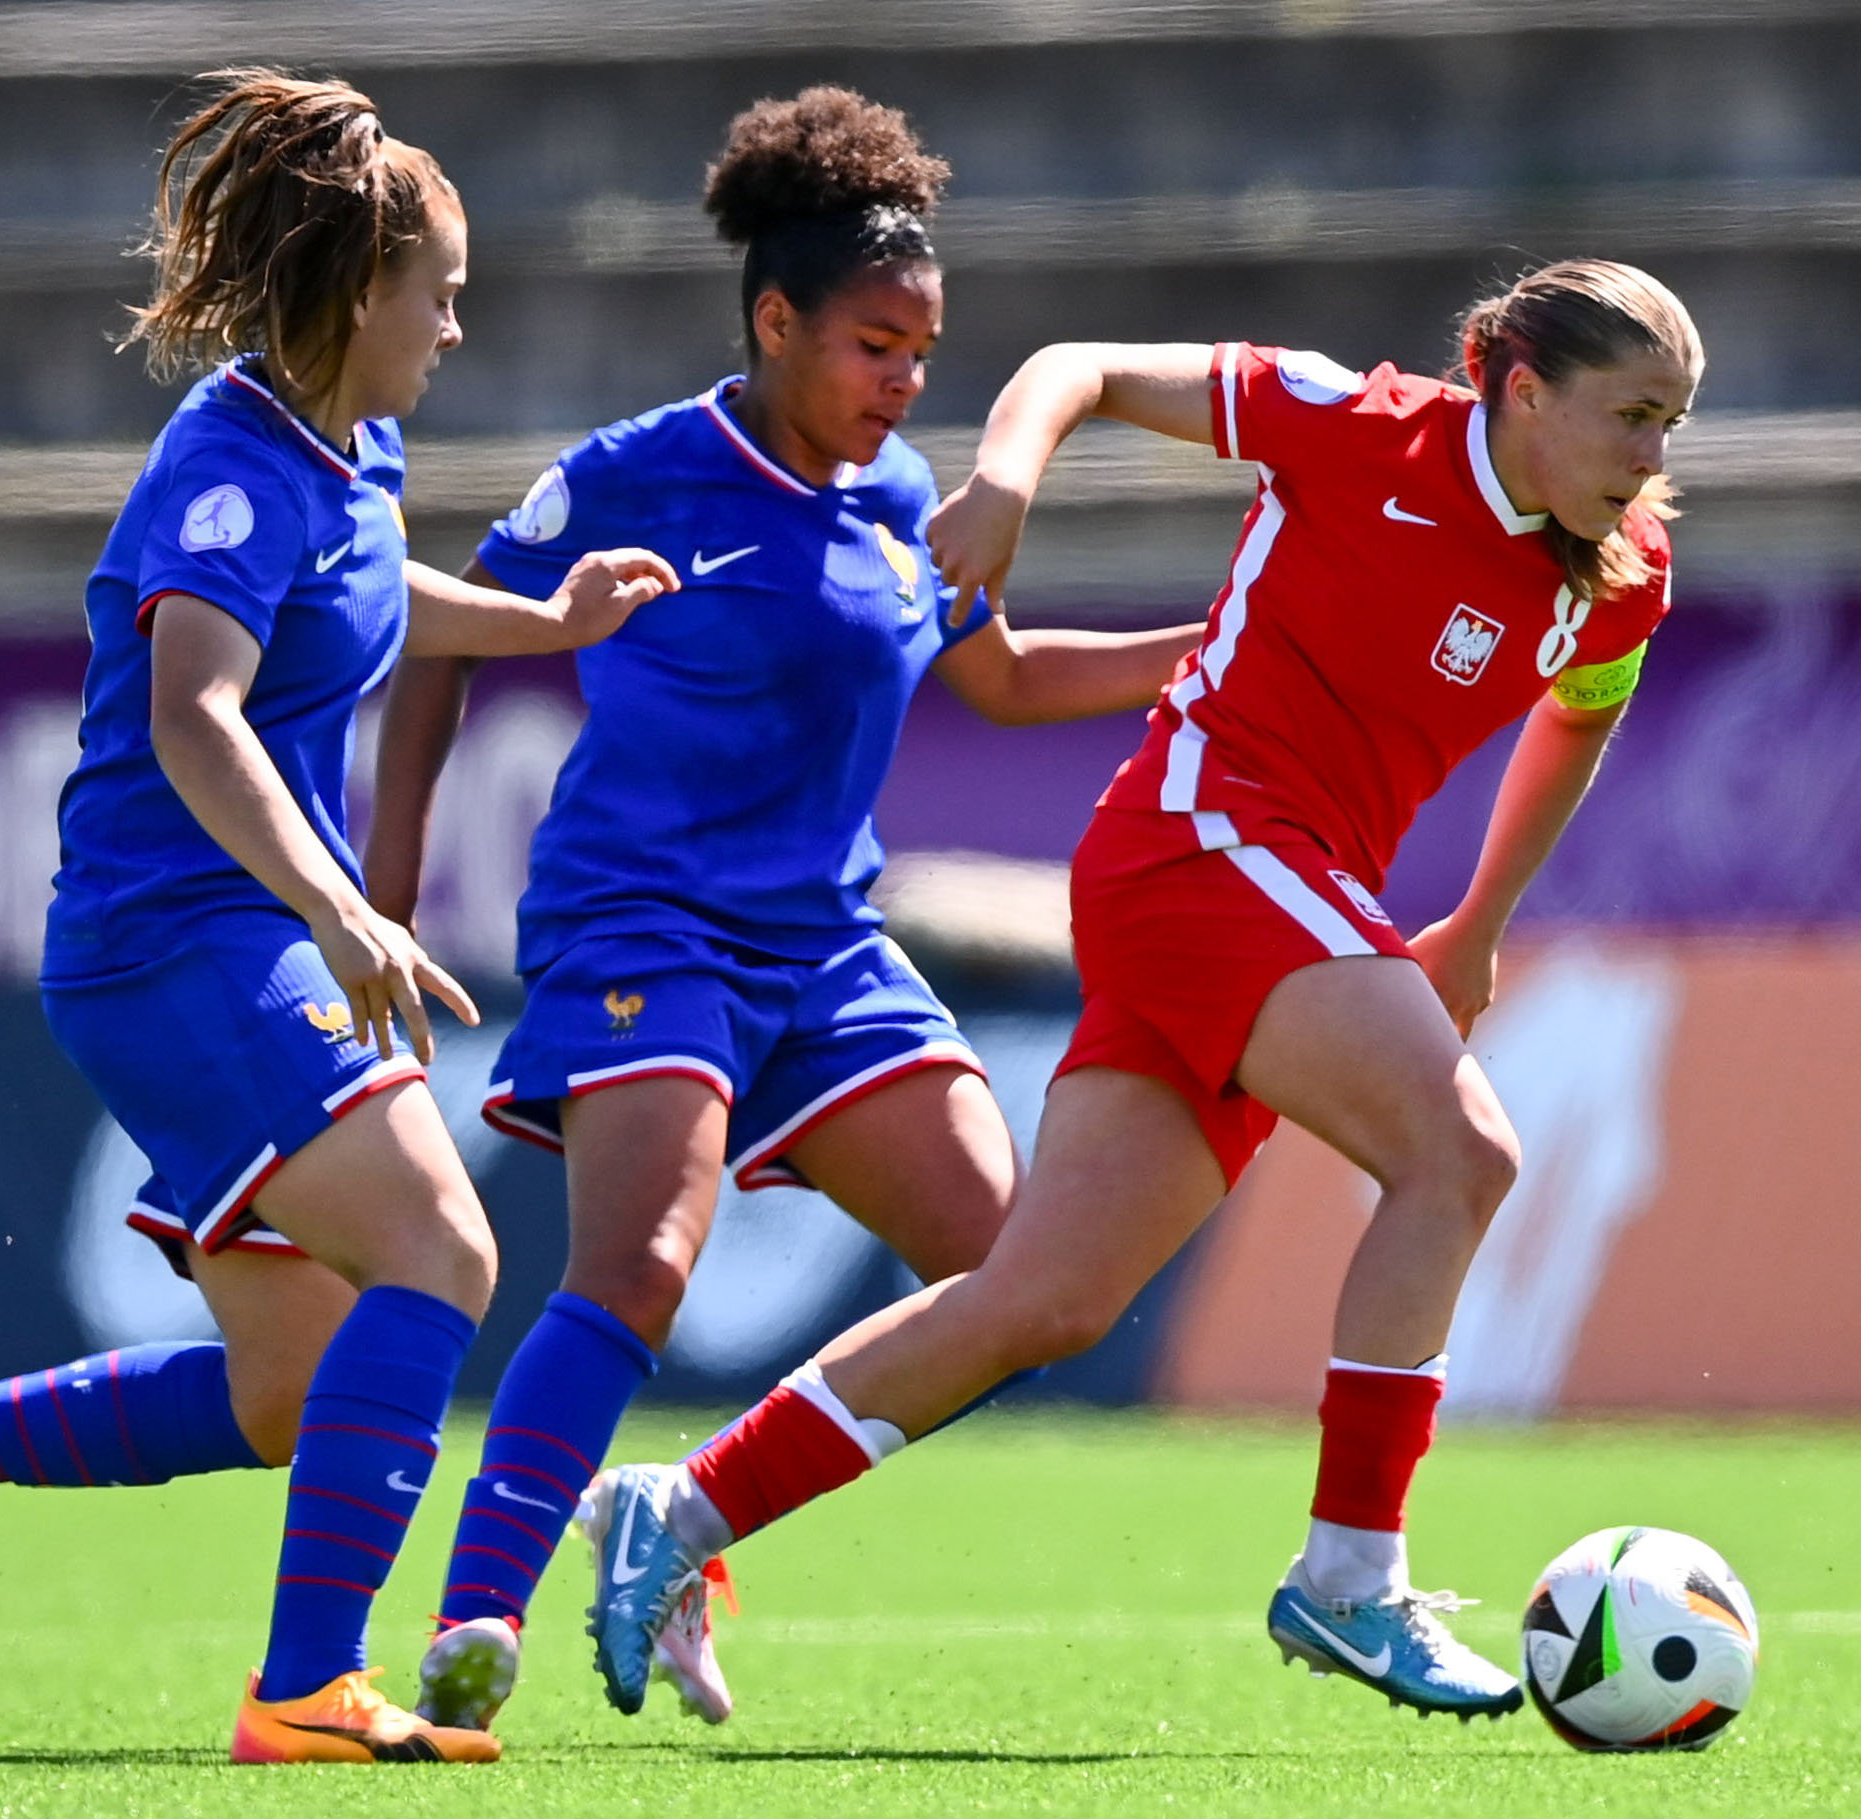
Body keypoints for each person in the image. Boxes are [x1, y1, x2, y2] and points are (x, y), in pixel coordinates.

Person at [578, 259, 1705, 1723]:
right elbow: (1081, 363)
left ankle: (676, 1508)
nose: (1651, 458)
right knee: (1459, 1151)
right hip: (1200, 835)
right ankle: (1351, 1579)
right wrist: (999, 486)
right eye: (1630, 416)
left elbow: (1572, 728)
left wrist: (1478, 920)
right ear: (1522, 388)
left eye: (1670, 422)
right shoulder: (1356, 424)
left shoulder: (1622, 568)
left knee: (1043, 1299)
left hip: (1276, 892)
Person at [0, 71, 676, 1766]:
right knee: (442, 1248)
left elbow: (363, 581)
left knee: (290, 1389)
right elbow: (196, 708)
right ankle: (305, 1688)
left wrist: (538, 620)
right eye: (444, 295)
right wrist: (337, 908)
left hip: (215, 938)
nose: (457, 330)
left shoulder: (348, 444)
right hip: (176, 938)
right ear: (361, 296)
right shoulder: (224, 462)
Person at [364, 86, 1204, 1731]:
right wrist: (384, 891)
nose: (906, 382)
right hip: (642, 923)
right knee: (644, 1263)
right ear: (775, 318)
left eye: (924, 351)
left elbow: (1003, 675)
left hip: (824, 946)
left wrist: (1206, 647)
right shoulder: (637, 476)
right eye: (877, 345)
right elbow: (444, 638)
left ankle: (671, 1521)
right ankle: (477, 1615)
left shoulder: (908, 506)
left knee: (1013, 1268)